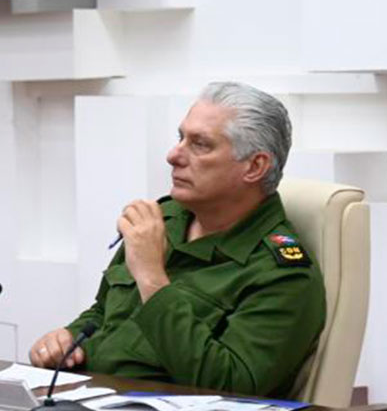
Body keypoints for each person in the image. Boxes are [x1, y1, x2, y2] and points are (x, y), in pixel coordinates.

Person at [29, 82, 325, 398]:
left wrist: (152, 279)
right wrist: (68, 339)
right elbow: (103, 313)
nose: (173, 155)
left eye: (200, 144)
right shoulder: (163, 220)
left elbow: (232, 387)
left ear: (254, 166)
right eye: (180, 137)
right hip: (83, 395)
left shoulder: (282, 273)